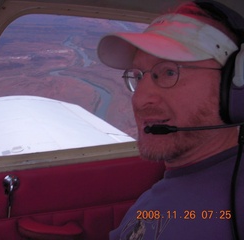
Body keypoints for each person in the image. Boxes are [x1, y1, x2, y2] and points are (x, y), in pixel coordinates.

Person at [97, 1, 244, 239]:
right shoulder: (172, 185)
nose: (139, 100)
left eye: (168, 72)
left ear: (234, 87)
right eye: (138, 76)